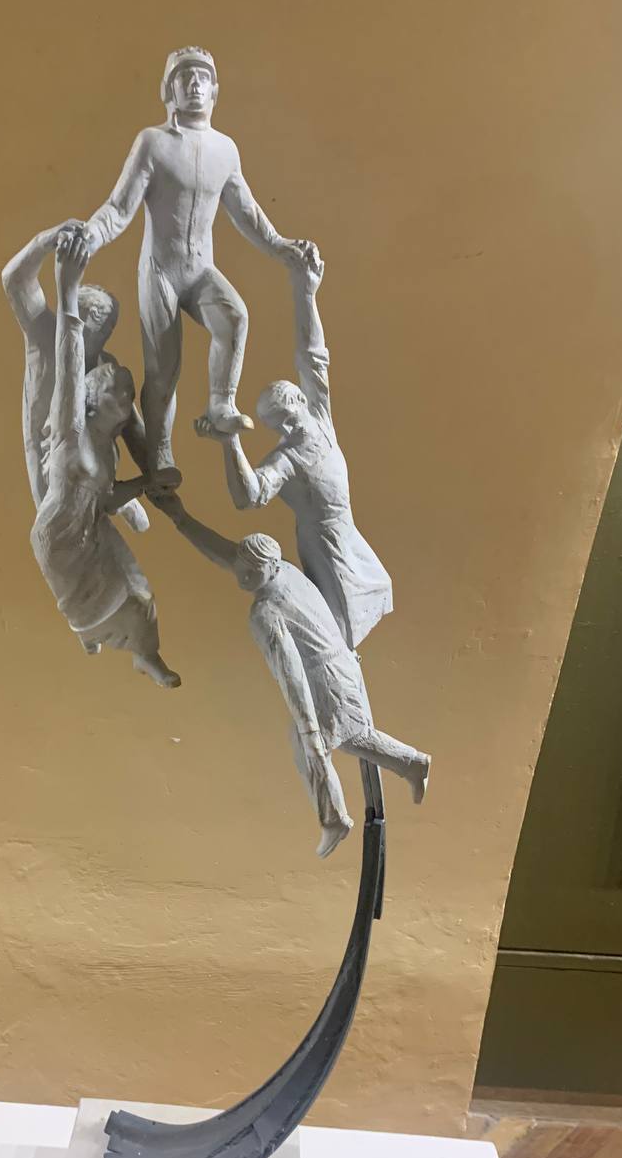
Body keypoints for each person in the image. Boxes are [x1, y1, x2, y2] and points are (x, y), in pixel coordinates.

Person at [71, 47, 313, 484]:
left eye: (203, 77)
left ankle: (221, 403)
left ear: (215, 90)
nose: (195, 84)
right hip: (160, 271)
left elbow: (247, 211)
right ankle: (160, 451)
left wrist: (280, 245)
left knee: (235, 317)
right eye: (185, 77)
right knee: (164, 369)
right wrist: (89, 235)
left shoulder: (225, 149)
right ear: (169, 89)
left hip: (200, 271)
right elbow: (119, 208)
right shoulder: (153, 142)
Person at [150, 492, 429, 856]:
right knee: (333, 741)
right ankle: (403, 771)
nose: (240, 576)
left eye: (247, 572)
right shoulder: (283, 570)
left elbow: (290, 673)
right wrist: (180, 518)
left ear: (263, 569)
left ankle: (354, 805)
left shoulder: (265, 612)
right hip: (341, 666)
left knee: (322, 743)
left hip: (327, 680)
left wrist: (310, 727)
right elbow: (228, 554)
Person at [196, 244, 392, 650]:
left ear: (300, 401)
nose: (285, 428)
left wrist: (306, 290)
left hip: (349, 535)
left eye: (286, 416)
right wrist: (230, 443)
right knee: (339, 628)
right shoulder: (287, 458)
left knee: (364, 607)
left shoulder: (320, 418)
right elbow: (248, 496)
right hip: (324, 548)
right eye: (276, 425)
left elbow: (312, 356)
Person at [31, 232, 180, 688]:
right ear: (94, 400)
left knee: (140, 595)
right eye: (123, 394)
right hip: (62, 536)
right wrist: (66, 287)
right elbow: (69, 358)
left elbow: (109, 496)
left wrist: (149, 480)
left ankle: (144, 655)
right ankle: (91, 634)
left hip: (92, 521)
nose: (129, 402)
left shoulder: (107, 443)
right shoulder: (71, 430)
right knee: (103, 603)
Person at [2, 220, 149, 533]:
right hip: (49, 453)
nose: (108, 330)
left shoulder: (106, 363)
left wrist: (154, 469)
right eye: (103, 322)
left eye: (109, 325)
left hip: (94, 462)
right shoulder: (45, 333)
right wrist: (46, 239)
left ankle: (110, 491)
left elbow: (131, 424)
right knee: (57, 516)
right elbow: (14, 281)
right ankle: (109, 496)